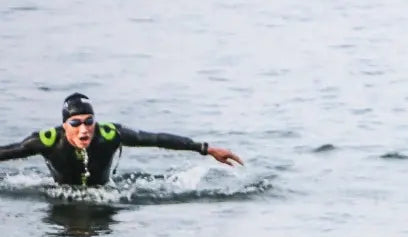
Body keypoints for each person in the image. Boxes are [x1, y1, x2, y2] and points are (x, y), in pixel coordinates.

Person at [0, 92, 243, 186]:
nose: (84, 129)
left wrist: (206, 148)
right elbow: (10, 151)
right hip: (61, 201)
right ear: (65, 125)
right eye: (75, 123)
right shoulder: (48, 141)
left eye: (89, 121)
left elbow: (155, 138)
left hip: (104, 196)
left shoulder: (110, 135)